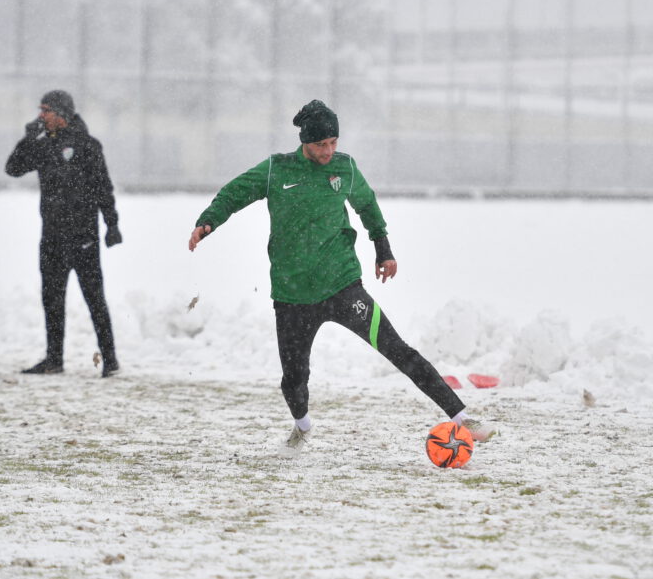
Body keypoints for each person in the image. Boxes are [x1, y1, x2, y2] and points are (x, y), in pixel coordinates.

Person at [188, 99, 496, 455]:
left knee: (398, 350)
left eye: (334, 142)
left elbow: (367, 205)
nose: (329, 150)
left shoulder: (344, 168)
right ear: (305, 141)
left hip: (343, 287)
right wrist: (208, 221)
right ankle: (302, 426)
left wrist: (383, 248)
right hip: (292, 296)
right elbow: (235, 193)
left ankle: (461, 416)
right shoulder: (277, 170)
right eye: (322, 144)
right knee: (293, 380)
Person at [5, 90, 122, 377]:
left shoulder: (87, 145)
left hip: (83, 237)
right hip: (52, 238)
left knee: (94, 298)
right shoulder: (42, 145)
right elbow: (13, 169)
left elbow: (103, 187)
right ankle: (53, 359)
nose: (41, 116)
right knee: (52, 298)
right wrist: (28, 139)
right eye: (40, 110)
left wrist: (112, 224)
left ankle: (110, 360)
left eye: (46, 110)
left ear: (62, 114)